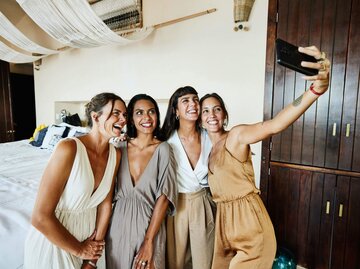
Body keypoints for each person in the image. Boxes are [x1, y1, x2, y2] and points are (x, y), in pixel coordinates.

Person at [199, 46, 331, 269]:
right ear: (200, 119)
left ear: (224, 115)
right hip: (225, 228)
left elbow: (275, 124)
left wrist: (315, 90)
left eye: (217, 109)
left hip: (250, 227)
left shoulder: (237, 136)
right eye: (205, 111)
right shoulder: (210, 150)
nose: (211, 115)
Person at [24, 92, 127, 269]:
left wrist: (92, 259)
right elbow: (40, 217)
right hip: (55, 244)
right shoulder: (68, 148)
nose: (123, 119)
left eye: (124, 114)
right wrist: (79, 250)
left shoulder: (115, 154)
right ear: (96, 117)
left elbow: (105, 205)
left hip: (90, 245)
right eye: (116, 113)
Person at [106, 94, 177, 269]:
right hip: (117, 227)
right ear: (130, 118)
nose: (146, 117)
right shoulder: (119, 148)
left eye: (151, 112)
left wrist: (149, 241)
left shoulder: (164, 149)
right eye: (139, 112)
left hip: (149, 226)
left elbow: (164, 197)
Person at [161, 86, 215, 269]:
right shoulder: (165, 141)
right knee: (176, 261)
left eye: (195, 99)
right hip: (177, 206)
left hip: (203, 202)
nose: (193, 104)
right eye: (186, 101)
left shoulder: (210, 136)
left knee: (204, 260)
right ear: (176, 111)